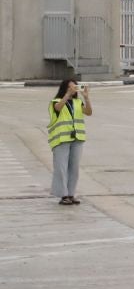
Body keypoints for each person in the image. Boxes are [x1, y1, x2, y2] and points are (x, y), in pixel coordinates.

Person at [48, 76, 91, 206]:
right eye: (69, 87)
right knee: (61, 168)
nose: (72, 89)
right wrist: (67, 95)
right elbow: (58, 108)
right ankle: (63, 195)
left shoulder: (78, 102)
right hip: (61, 139)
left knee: (74, 168)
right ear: (64, 89)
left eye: (74, 87)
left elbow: (89, 112)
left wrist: (86, 98)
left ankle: (71, 194)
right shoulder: (55, 101)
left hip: (77, 138)